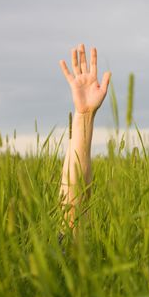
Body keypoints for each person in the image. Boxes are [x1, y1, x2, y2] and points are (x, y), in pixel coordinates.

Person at [58, 43, 111, 228]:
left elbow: (73, 213)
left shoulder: (67, 250)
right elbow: (71, 215)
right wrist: (83, 115)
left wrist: (85, 115)